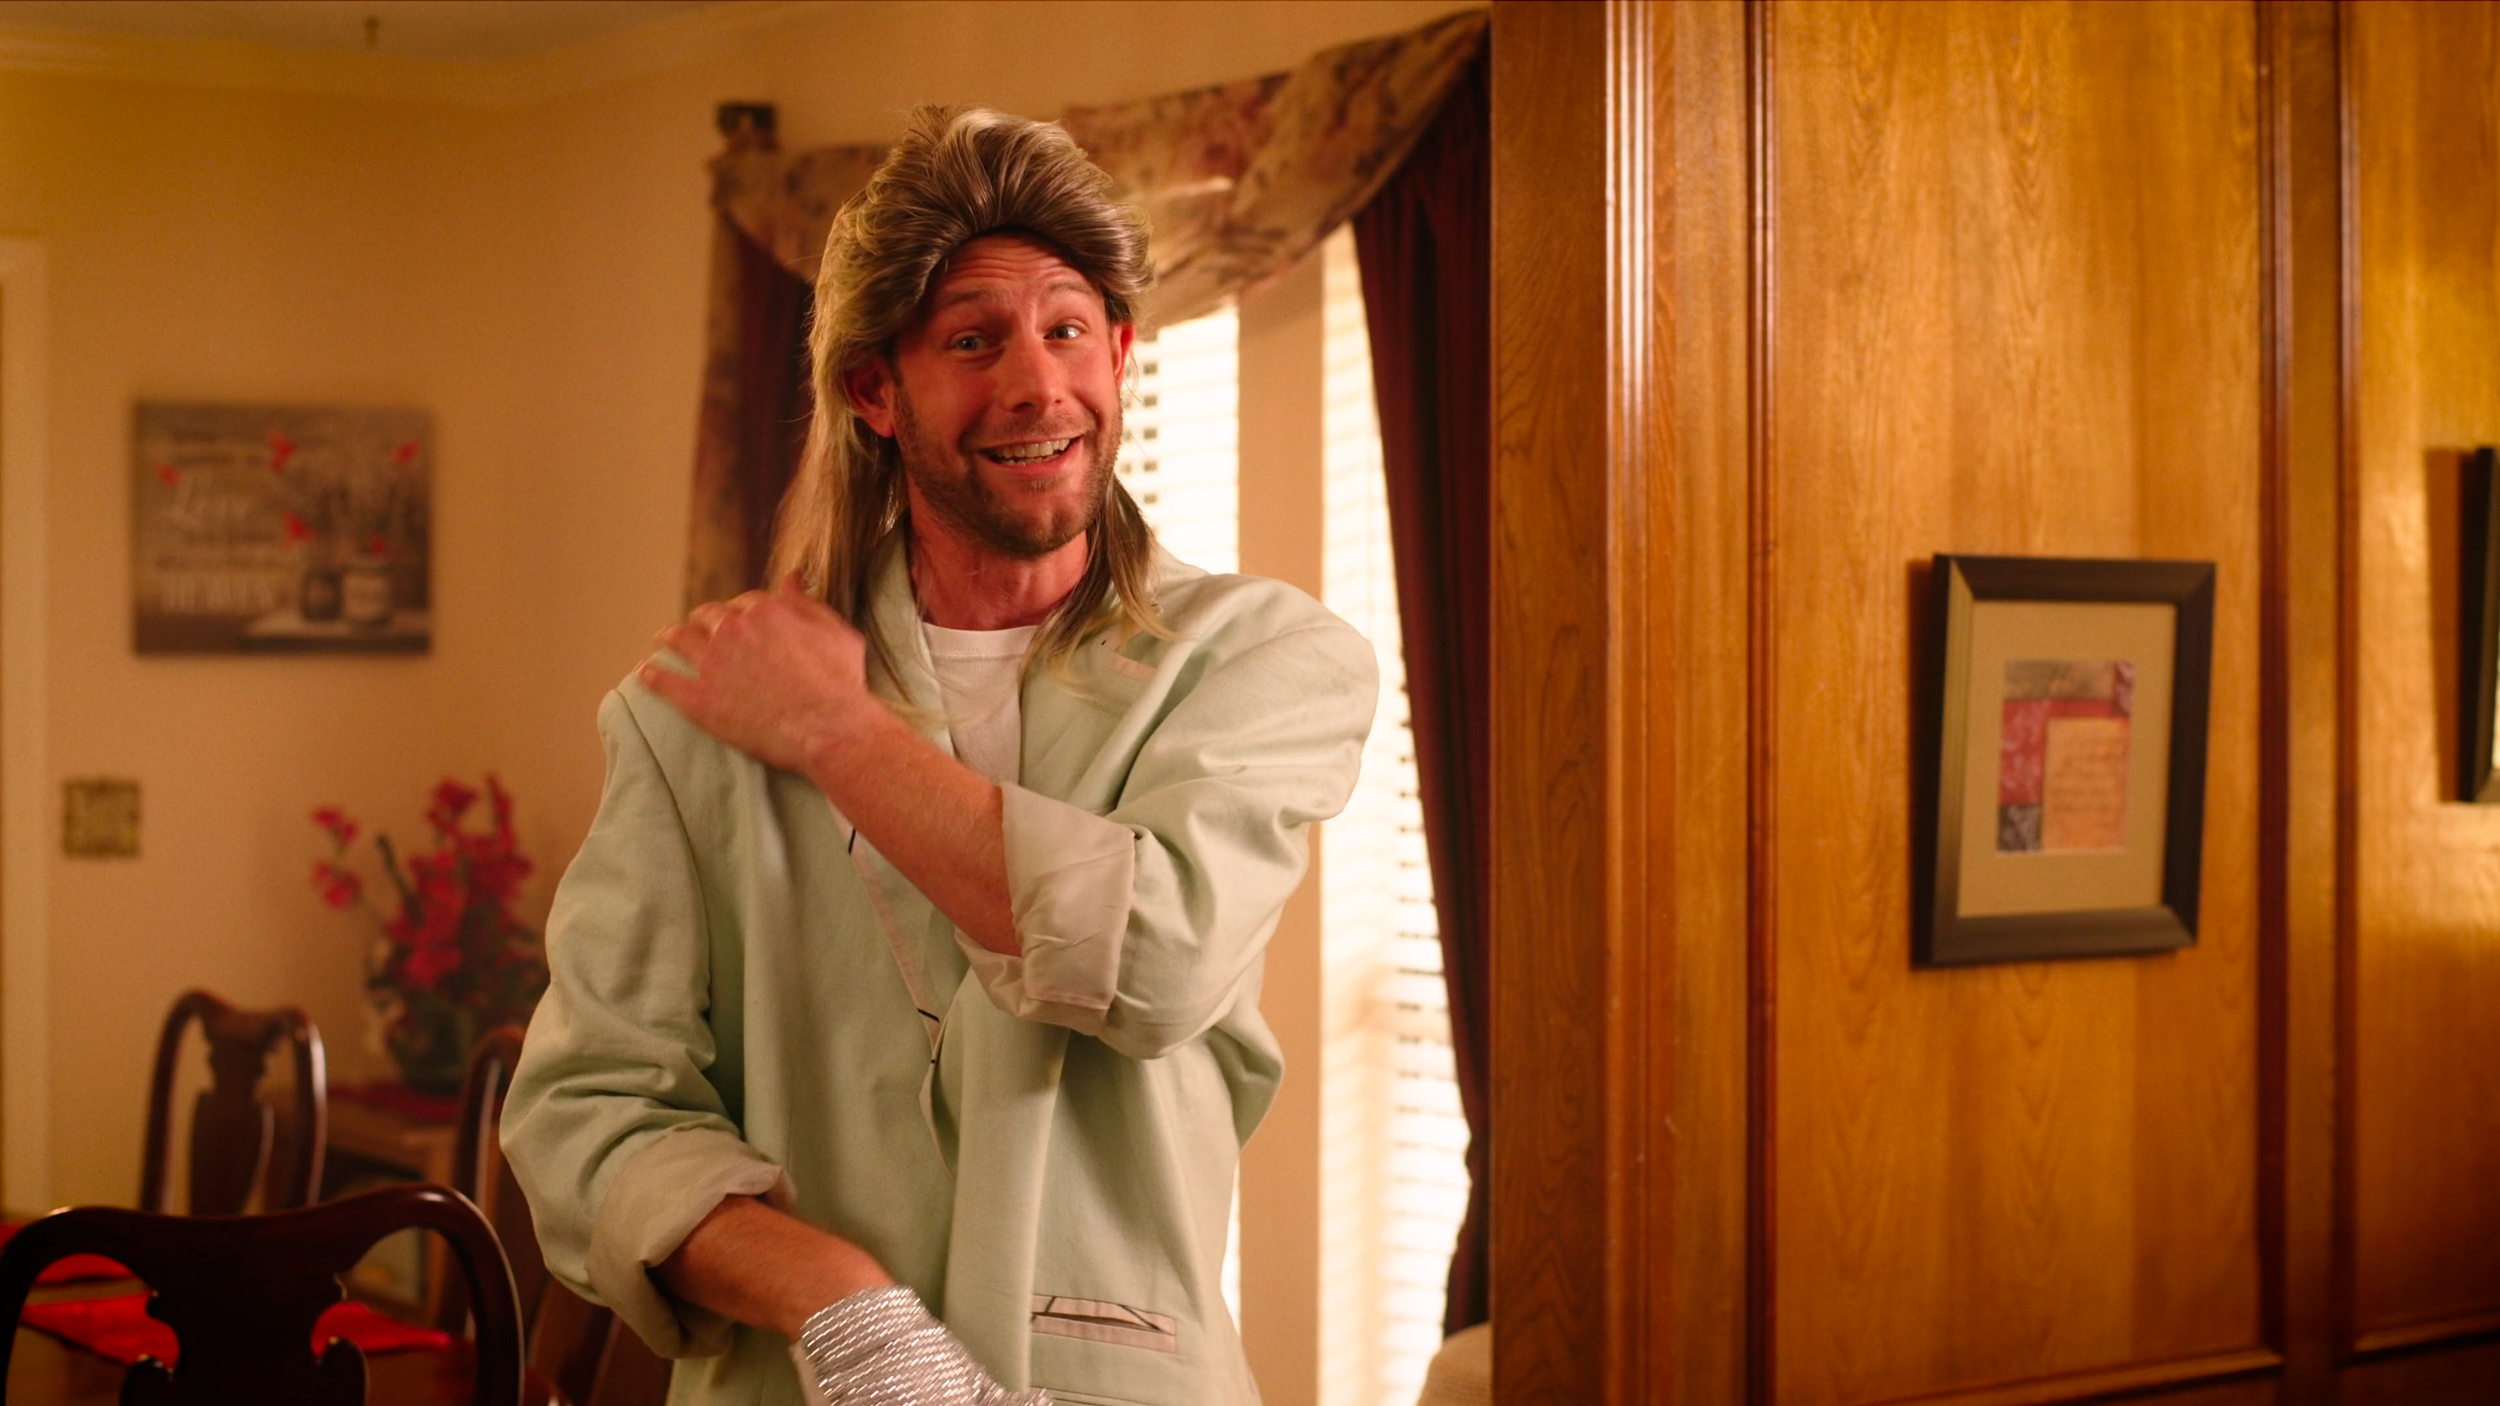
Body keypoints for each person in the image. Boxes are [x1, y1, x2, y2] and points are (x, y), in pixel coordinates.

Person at [502, 104, 1378, 1406]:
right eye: (975, 340)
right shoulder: (688, 715)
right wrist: (842, 1306)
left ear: (1122, 352)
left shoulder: (1263, 659)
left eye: (1068, 328)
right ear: (875, 392)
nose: (1038, 382)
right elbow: (583, 1115)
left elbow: (1152, 953)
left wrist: (835, 733)